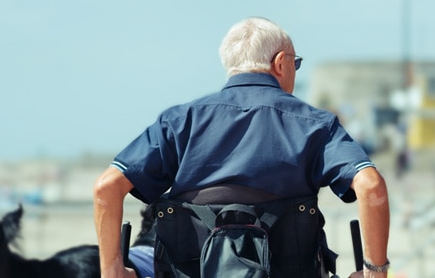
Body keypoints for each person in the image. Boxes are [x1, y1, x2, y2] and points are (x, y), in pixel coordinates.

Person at [93, 17, 390, 278]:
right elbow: (371, 186)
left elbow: (106, 188)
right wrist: (375, 273)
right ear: (281, 63)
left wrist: (112, 270)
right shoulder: (315, 124)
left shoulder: (179, 121)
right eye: (296, 64)